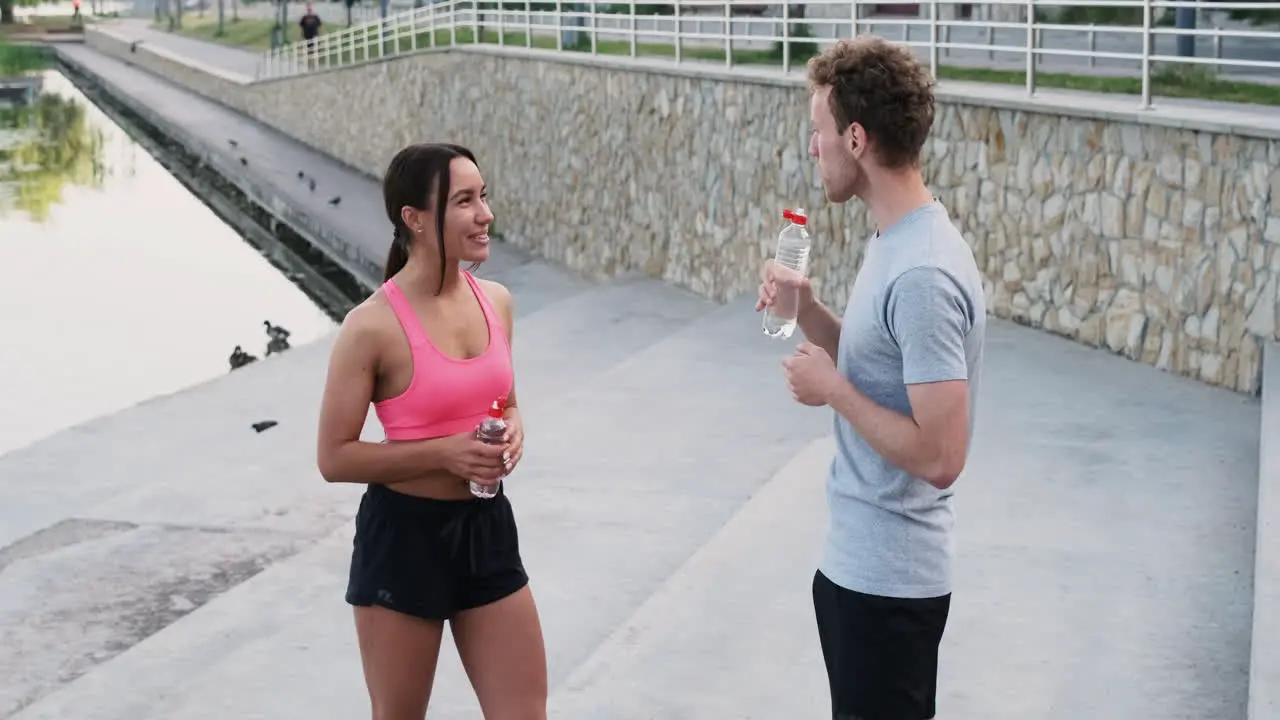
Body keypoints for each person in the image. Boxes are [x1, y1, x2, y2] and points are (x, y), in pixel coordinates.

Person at [757, 36, 986, 720]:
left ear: (855, 138)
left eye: (817, 132)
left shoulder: (920, 271)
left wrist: (833, 391)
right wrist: (808, 310)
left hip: (890, 583)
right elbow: (878, 368)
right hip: (863, 571)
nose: (812, 148)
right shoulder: (897, 240)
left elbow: (942, 456)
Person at [316, 143, 548, 720]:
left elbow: (507, 402)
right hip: (402, 543)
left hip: (486, 530)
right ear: (414, 219)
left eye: (483, 196)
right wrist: (447, 453)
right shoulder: (370, 326)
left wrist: (515, 429)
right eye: (464, 201)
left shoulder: (497, 302)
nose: (485, 214)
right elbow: (334, 457)